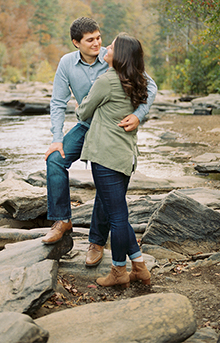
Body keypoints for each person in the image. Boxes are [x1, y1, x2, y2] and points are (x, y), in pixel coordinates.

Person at [42, 17, 157, 268]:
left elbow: (151, 85)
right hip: (85, 127)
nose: (98, 44)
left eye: (99, 37)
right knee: (55, 160)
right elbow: (58, 103)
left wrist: (138, 116)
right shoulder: (66, 64)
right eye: (90, 40)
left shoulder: (114, 56)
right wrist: (57, 138)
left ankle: (96, 242)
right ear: (76, 43)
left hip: (110, 130)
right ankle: (62, 220)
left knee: (106, 189)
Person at [75, 33, 152, 287]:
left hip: (106, 157)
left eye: (112, 46)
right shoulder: (138, 80)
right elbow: (152, 88)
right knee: (117, 213)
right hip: (125, 156)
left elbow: (83, 111)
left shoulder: (107, 80)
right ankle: (139, 266)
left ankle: (119, 271)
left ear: (119, 56)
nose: (106, 47)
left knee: (117, 217)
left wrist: (84, 102)